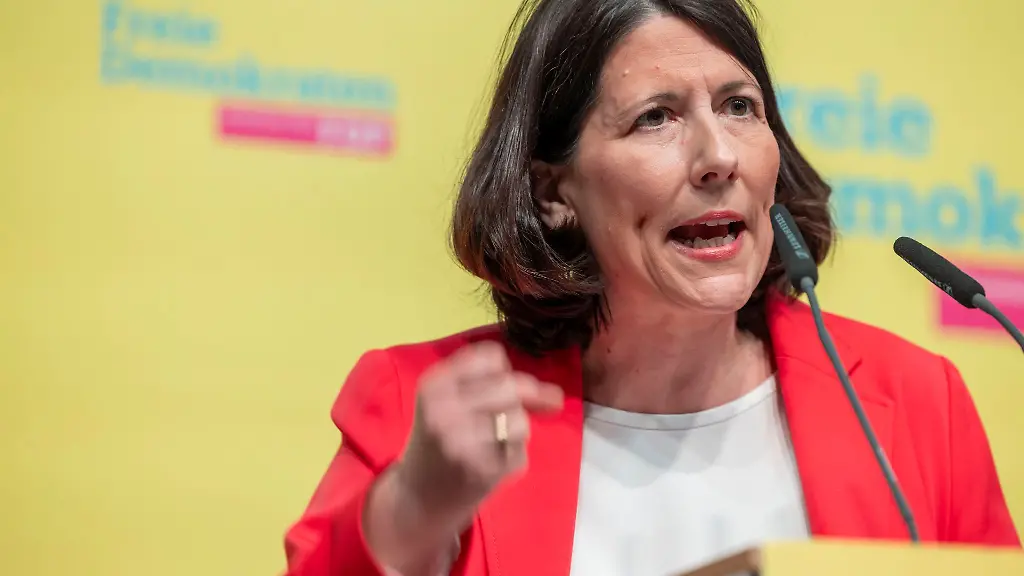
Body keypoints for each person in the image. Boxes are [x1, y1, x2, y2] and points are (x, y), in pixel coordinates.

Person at [283, 0, 1021, 574]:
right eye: (655, 118)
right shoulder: (424, 410)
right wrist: (413, 509)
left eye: (739, 106)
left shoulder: (916, 402)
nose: (719, 156)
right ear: (553, 192)